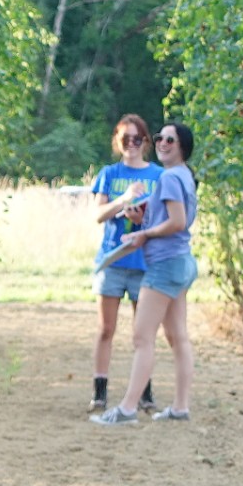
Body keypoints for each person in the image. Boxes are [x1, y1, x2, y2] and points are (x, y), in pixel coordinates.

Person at [90, 121, 198, 426]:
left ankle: (127, 409)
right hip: (181, 260)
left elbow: (177, 222)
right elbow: (173, 218)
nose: (162, 143)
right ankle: (180, 407)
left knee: (142, 338)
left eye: (170, 140)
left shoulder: (169, 177)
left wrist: (144, 234)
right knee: (178, 337)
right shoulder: (183, 175)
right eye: (160, 137)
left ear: (182, 147)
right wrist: (143, 219)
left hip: (164, 264)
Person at [89, 114, 162, 413]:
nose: (131, 144)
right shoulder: (109, 173)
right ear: (117, 142)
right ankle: (100, 392)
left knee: (142, 333)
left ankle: (144, 391)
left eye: (137, 138)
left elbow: (166, 218)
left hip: (144, 262)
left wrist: (142, 218)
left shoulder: (158, 175)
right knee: (106, 329)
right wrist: (124, 199)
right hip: (113, 260)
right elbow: (98, 214)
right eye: (125, 139)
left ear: (146, 142)